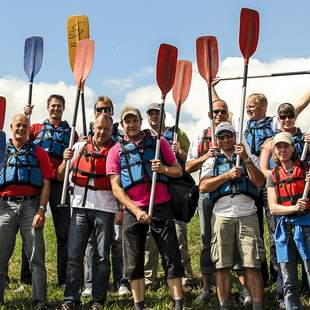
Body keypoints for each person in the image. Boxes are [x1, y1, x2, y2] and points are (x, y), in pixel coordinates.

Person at [107, 106, 185, 310]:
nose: (131, 125)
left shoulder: (159, 143)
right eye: (127, 122)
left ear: (140, 122)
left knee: (171, 256)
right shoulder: (115, 151)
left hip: (161, 205)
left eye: (134, 121)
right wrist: (135, 210)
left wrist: (163, 169)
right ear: (122, 125)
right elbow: (116, 188)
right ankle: (139, 305)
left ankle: (178, 304)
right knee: (133, 261)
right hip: (134, 210)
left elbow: (178, 170)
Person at [186, 99, 252, 306]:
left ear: (227, 113)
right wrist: (207, 156)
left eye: (222, 111)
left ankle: (242, 288)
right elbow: (188, 167)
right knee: (207, 240)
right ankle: (207, 288)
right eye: (214, 112)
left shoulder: (238, 136)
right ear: (210, 114)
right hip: (207, 194)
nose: (219, 115)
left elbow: (249, 160)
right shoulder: (201, 135)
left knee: (235, 240)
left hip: (234, 196)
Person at [199, 122, 266, 310]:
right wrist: (227, 175)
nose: (226, 139)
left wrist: (245, 159)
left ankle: (258, 306)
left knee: (252, 263)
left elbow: (260, 182)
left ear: (235, 137)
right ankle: (224, 306)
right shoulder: (212, 161)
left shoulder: (247, 155)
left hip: (248, 213)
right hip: (222, 215)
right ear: (217, 140)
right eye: (221, 137)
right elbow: (203, 186)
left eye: (229, 135)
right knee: (222, 265)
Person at [58, 115, 119, 309]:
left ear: (111, 130)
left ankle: (97, 300)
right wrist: (64, 160)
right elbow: (61, 175)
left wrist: (122, 209)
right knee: (74, 255)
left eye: (107, 129)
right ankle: (70, 299)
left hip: (106, 209)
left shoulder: (116, 150)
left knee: (101, 257)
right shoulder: (78, 147)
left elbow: (120, 183)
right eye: (99, 128)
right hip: (80, 208)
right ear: (93, 127)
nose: (102, 133)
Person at [23, 95, 77, 288]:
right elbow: (22, 140)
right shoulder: (35, 128)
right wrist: (25, 115)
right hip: (37, 183)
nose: (56, 109)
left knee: (63, 233)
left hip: (59, 186)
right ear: (47, 108)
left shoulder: (72, 133)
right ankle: (26, 279)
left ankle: (63, 279)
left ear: (63, 108)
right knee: (31, 229)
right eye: (53, 106)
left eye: (59, 106)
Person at [0, 114, 52, 309]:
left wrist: (41, 209)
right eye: (18, 126)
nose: (21, 129)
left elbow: (46, 182)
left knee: (36, 257)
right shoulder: (1, 151)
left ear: (29, 129)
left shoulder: (39, 153)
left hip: (31, 205)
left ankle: (40, 301)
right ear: (11, 127)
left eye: (25, 126)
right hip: (4, 206)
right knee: (1, 256)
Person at [81, 96, 130, 298]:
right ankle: (90, 284)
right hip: (93, 200)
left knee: (118, 242)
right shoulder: (86, 139)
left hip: (116, 196)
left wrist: (122, 206)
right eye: (100, 108)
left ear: (112, 110)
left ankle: (122, 281)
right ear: (95, 111)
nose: (104, 111)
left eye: (108, 108)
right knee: (92, 243)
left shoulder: (121, 138)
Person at [144, 102, 194, 292]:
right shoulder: (145, 137)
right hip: (154, 194)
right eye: (151, 114)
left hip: (175, 193)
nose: (154, 117)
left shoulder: (177, 133)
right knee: (151, 240)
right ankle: (150, 281)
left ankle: (185, 278)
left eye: (157, 113)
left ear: (164, 115)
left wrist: (178, 151)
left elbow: (191, 160)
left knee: (179, 236)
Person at [266, 131, 310, 309]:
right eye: (279, 147)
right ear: (275, 151)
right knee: (288, 280)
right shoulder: (273, 176)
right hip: (284, 230)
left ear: (292, 148)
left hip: (306, 226)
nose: (282, 149)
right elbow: (273, 207)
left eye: (286, 146)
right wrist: (293, 208)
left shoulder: (306, 170)